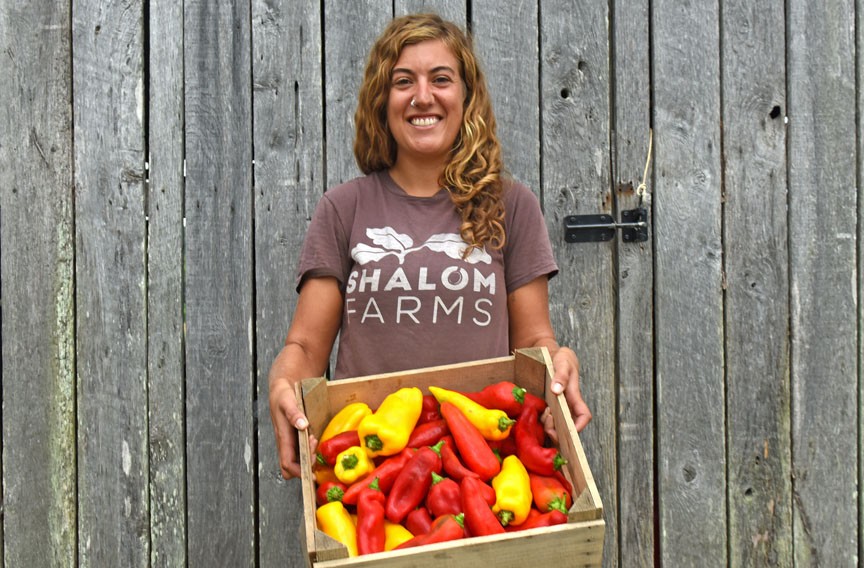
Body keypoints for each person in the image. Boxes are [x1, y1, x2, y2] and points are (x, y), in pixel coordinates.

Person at [269, 13, 591, 480]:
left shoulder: (511, 205)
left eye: (441, 79)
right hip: (369, 468)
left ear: (466, 96)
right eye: (403, 82)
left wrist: (560, 361)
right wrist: (282, 381)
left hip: (487, 472)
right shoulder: (344, 208)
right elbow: (304, 347)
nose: (423, 96)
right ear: (383, 100)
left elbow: (534, 345)